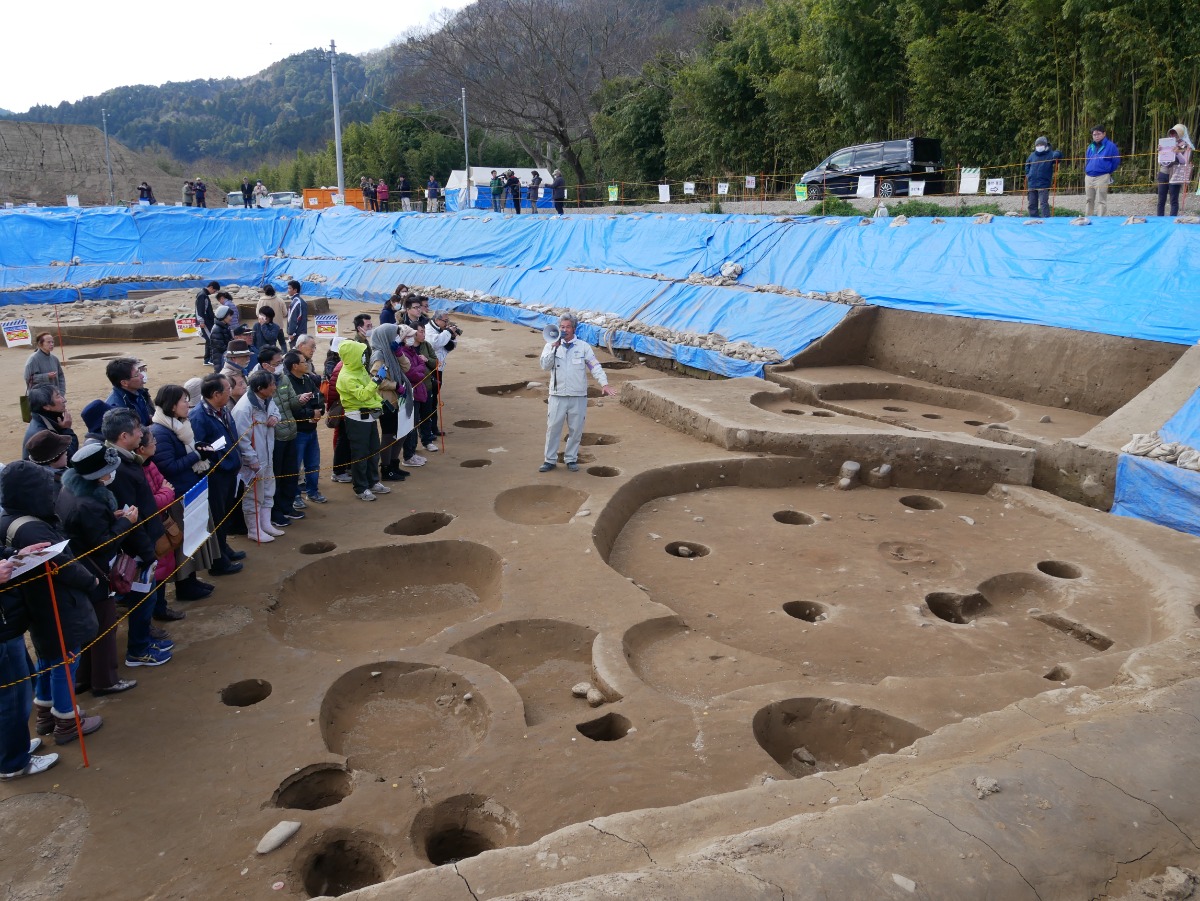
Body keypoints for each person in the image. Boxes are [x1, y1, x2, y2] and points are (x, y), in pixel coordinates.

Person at [1, 461, 103, 747]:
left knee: (48, 658)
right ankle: (67, 720)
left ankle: (45, 713)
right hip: (59, 604)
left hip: (37, 605)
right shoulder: (33, 528)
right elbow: (65, 565)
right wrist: (91, 582)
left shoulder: (7, 521)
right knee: (66, 661)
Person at [56, 444, 139, 698]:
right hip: (95, 573)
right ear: (99, 475)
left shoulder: (69, 492)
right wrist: (125, 522)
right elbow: (104, 545)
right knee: (104, 625)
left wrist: (110, 518)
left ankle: (84, 678)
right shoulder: (89, 505)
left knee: (87, 626)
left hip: (78, 570)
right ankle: (105, 680)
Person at [102, 409, 170, 667]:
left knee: (146, 597)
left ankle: (143, 642)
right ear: (123, 436)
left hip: (143, 540)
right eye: (137, 430)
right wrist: (146, 550)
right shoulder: (117, 468)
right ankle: (138, 650)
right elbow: (130, 515)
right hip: (137, 547)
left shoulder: (125, 459)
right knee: (143, 597)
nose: (142, 433)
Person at [0, 530, 63, 779]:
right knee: (12, 698)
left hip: (8, 621)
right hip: (2, 631)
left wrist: (16, 555)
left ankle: (15, 747)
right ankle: (13, 763)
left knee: (19, 693)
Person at [149, 383, 216, 601]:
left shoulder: (178, 424)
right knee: (183, 543)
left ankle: (192, 582)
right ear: (171, 405)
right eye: (183, 401)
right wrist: (196, 455)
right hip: (176, 495)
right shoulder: (160, 431)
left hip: (189, 490)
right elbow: (169, 467)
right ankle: (185, 587)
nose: (188, 404)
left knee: (193, 537)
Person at [540, 314, 616, 472]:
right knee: (553, 428)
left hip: (578, 396)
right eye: (562, 327)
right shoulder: (550, 345)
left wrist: (604, 383)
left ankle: (571, 459)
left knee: (576, 430)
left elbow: (594, 366)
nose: (564, 330)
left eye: (567, 327)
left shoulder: (583, 347)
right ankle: (549, 460)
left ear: (574, 328)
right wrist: (553, 347)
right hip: (557, 395)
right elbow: (545, 366)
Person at [189, 374, 246, 576]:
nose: (231, 392)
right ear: (215, 394)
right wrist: (218, 466)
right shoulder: (199, 417)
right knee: (217, 516)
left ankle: (224, 548)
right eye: (227, 389)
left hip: (230, 472)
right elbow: (200, 448)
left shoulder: (222, 410)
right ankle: (218, 560)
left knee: (225, 514)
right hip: (216, 475)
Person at [335, 339, 390, 501]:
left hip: (370, 416)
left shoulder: (360, 371)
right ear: (352, 356)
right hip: (357, 419)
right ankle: (361, 487)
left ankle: (373, 481)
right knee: (360, 454)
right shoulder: (346, 377)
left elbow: (370, 393)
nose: (365, 358)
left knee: (373, 451)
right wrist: (376, 381)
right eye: (361, 355)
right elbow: (363, 394)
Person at [233, 370, 281, 543]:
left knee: (268, 490)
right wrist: (251, 460)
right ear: (261, 388)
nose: (275, 387)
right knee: (253, 496)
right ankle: (254, 530)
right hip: (253, 461)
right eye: (272, 384)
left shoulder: (267, 400)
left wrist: (275, 417)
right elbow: (242, 438)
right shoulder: (244, 408)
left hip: (267, 454)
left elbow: (276, 411)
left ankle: (265, 524)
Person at [368, 324, 414, 483]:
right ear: (386, 336)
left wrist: (399, 352)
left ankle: (394, 464)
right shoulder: (379, 355)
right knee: (389, 435)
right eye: (394, 334)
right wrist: (395, 386)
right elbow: (376, 381)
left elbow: (407, 368)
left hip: (399, 400)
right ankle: (386, 468)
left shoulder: (391, 351)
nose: (397, 337)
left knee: (401, 432)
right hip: (387, 401)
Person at [267, 349, 304, 528]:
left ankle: (288, 507)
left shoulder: (284, 378)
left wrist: (301, 399)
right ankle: (276, 512)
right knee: (277, 476)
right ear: (265, 365)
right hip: (276, 438)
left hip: (291, 432)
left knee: (291, 473)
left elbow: (292, 403)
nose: (280, 364)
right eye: (276, 362)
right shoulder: (260, 383)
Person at [285, 349, 327, 504]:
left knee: (313, 463)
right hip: (298, 431)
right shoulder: (287, 382)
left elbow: (318, 396)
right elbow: (292, 408)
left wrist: (319, 411)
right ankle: (295, 496)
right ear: (295, 366)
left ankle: (313, 491)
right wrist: (311, 413)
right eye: (303, 362)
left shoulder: (307, 379)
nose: (307, 364)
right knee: (295, 466)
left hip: (311, 429)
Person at [23, 385, 79, 462]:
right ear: (46, 406)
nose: (64, 400)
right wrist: (67, 430)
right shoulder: (43, 434)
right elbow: (69, 459)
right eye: (58, 396)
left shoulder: (45, 420)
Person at [1156, 124, 1194, 217]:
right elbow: (1160, 161)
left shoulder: (1185, 146)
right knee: (1161, 199)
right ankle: (1159, 221)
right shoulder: (1165, 143)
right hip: (1163, 172)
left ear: (1180, 134)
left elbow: (1184, 161)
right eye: (1172, 133)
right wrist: (1160, 151)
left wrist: (1177, 153)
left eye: (1175, 133)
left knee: (1173, 199)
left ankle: (1172, 222)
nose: (1173, 135)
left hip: (1176, 173)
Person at [1084, 127, 1121, 217]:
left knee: (1101, 200)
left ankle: (1101, 220)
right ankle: (1088, 218)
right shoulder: (1090, 147)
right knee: (1089, 199)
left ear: (1104, 134)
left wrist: (1108, 170)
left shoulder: (1111, 146)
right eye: (1094, 134)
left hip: (1102, 176)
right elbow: (1087, 160)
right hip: (1089, 176)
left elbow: (1116, 161)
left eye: (1098, 134)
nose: (1096, 136)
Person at [105, 358, 153, 426]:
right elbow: (128, 433)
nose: (142, 376)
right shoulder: (117, 409)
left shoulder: (138, 392)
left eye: (139, 372)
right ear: (124, 383)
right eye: (137, 374)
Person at [1024, 136, 1063, 218]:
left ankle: (1046, 221)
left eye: (1041, 144)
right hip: (1032, 183)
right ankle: (1033, 219)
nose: (1039, 146)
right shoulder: (1032, 155)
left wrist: (1057, 154)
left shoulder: (1050, 154)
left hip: (1044, 183)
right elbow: (1027, 165)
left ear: (1045, 145)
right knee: (1031, 203)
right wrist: (1028, 175)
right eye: (1037, 145)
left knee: (1043, 203)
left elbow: (1059, 156)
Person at [196, 281, 220, 365]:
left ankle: (208, 359)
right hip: (205, 322)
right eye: (214, 290)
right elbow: (200, 310)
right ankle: (209, 359)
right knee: (211, 340)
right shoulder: (202, 296)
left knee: (209, 340)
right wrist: (201, 321)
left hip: (208, 321)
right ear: (211, 287)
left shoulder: (204, 295)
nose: (214, 292)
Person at [208, 305, 235, 373]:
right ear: (223, 316)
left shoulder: (224, 327)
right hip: (220, 360)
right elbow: (221, 347)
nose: (231, 318)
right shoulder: (217, 329)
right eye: (230, 316)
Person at [285, 280, 307, 348]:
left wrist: (291, 333)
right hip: (302, 332)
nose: (288, 290)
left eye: (289, 288)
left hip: (296, 335)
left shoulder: (296, 302)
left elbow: (293, 319)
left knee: (295, 354)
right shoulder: (301, 301)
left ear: (295, 290)